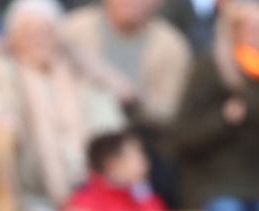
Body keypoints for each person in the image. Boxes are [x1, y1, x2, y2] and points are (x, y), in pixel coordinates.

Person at [0, 0, 125, 211]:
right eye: (29, 33)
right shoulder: (1, 70)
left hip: (90, 192)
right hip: (29, 197)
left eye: (44, 31)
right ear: (14, 38)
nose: (38, 39)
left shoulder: (78, 71)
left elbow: (120, 100)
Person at [166, 0, 259, 211]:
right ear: (232, 30)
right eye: (248, 26)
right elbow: (183, 136)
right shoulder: (210, 68)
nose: (257, 33)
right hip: (218, 179)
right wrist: (223, 118)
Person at [60, 0, 193, 135]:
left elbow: (169, 111)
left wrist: (135, 100)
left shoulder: (171, 47)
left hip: (141, 135)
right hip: (74, 128)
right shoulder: (74, 29)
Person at [64, 129, 168, 211]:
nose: (144, 162)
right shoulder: (85, 202)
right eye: (135, 156)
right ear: (112, 163)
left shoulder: (141, 194)